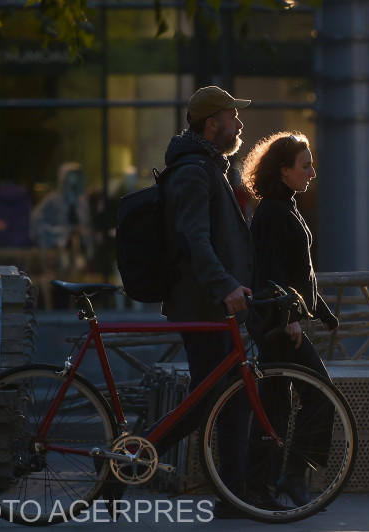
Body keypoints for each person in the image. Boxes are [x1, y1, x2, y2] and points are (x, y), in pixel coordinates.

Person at [135, 85, 259, 518]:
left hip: (215, 304)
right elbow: (194, 238)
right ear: (212, 124)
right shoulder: (193, 170)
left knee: (229, 396)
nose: (239, 124)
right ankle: (134, 457)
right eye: (232, 116)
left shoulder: (210, 167)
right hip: (202, 305)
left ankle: (234, 493)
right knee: (210, 398)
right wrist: (224, 285)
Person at [241, 131, 339, 506]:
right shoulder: (273, 211)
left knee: (276, 407)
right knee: (318, 397)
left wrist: (322, 312)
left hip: (283, 321)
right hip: (279, 325)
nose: (312, 171)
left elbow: (301, 271)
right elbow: (272, 272)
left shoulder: (286, 205)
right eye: (305, 165)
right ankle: (290, 478)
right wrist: (290, 317)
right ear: (283, 171)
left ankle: (264, 485)